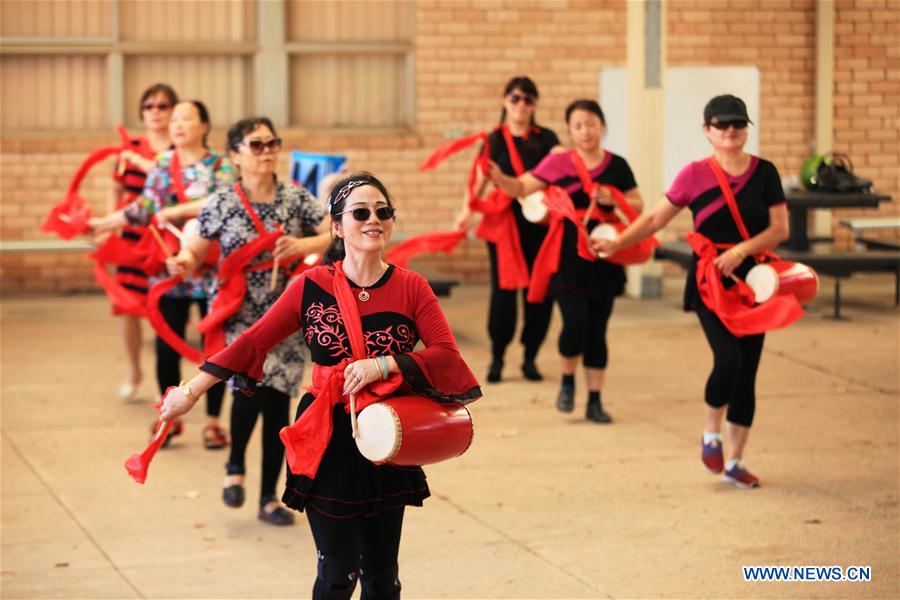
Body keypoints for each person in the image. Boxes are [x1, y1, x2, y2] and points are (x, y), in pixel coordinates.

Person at [160, 172, 481, 598]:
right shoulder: (312, 287)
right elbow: (254, 339)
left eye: (383, 212)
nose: (374, 220)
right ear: (336, 226)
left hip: (387, 433)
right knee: (338, 574)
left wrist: (384, 365)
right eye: (360, 212)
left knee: (383, 578)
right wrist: (193, 390)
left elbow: (446, 356)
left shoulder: (411, 287)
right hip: (327, 434)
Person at [593, 94, 789, 488]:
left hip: (755, 281)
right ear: (707, 131)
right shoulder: (694, 175)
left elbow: (780, 229)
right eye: (722, 125)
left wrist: (741, 251)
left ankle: (734, 462)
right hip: (710, 280)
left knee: (748, 371)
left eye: (738, 124)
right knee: (728, 359)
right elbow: (653, 219)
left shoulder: (765, 173)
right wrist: (617, 243)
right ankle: (710, 431)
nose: (731, 131)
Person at [168, 116, 331, 524]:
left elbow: (337, 231)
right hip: (240, 316)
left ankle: (268, 498)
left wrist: (305, 244)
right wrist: (184, 261)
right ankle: (235, 467)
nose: (268, 151)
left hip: (288, 316)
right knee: (247, 391)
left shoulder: (294, 197)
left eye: (272, 143)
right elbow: (197, 245)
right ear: (236, 155)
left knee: (278, 406)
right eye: (256, 145)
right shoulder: (222, 201)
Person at [489, 99, 643, 424]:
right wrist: (499, 178)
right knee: (575, 323)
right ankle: (568, 382)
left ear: (601, 126)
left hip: (605, 256)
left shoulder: (618, 165)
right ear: (570, 131)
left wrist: (614, 197)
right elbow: (521, 187)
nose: (585, 131)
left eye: (591, 124)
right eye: (577, 126)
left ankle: (595, 401)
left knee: (598, 329)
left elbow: (638, 204)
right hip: (567, 258)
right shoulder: (559, 163)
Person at [90, 100, 232, 449]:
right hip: (169, 268)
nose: (179, 124)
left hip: (212, 270)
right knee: (167, 344)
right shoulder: (163, 165)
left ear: (204, 126)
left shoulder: (220, 165)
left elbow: (220, 203)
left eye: (187, 118)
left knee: (216, 349)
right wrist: (105, 224)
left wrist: (173, 210)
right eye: (176, 120)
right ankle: (169, 416)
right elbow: (144, 208)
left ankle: (213, 421)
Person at [455, 76, 562, 383]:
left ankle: (530, 357)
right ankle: (498, 356)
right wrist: (466, 212)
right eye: (516, 98)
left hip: (540, 222)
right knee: (503, 291)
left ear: (535, 104)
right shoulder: (494, 140)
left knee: (538, 291)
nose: (521, 105)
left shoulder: (547, 138)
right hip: (503, 223)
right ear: (505, 100)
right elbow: (477, 180)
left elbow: (562, 163)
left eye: (528, 99)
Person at [103, 83, 178, 400]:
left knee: (168, 307)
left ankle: (170, 378)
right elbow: (115, 188)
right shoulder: (129, 147)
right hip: (132, 235)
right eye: (149, 106)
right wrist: (109, 224)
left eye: (162, 106)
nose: (156, 112)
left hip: (167, 239)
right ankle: (133, 368)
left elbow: (175, 181)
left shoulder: (181, 148)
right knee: (125, 305)